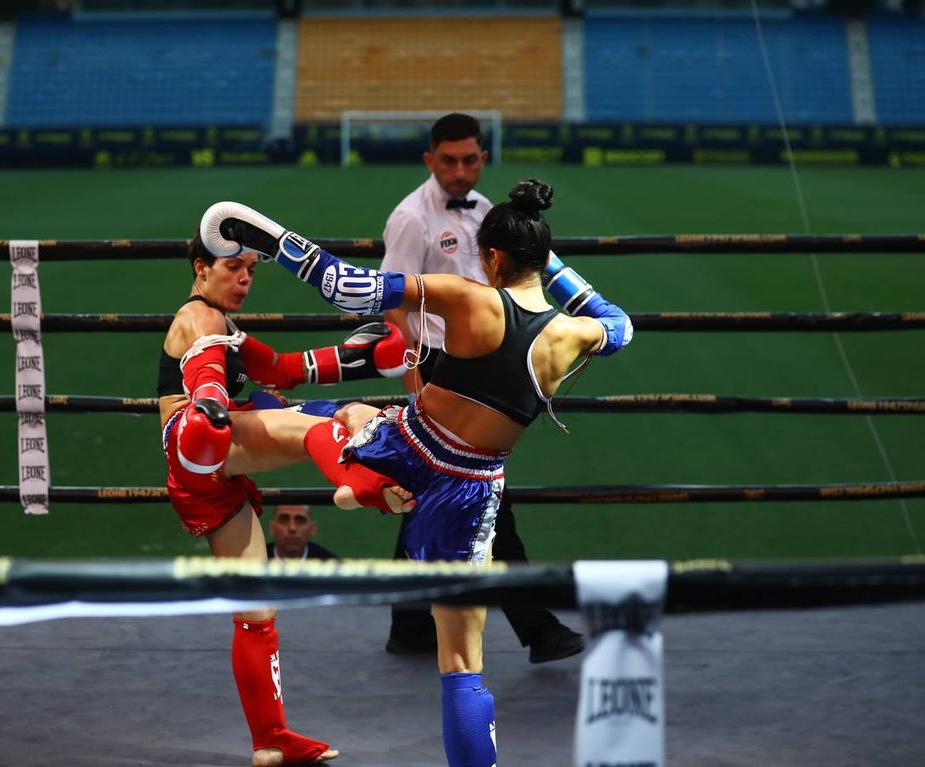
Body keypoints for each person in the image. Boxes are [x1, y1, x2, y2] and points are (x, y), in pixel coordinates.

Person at [199, 178, 633, 767]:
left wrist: (270, 241)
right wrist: (548, 260)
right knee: (461, 666)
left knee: (309, 415)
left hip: (405, 447)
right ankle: (358, 478)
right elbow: (619, 323)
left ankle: (328, 470)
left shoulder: (471, 298)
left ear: (494, 257)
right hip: (471, 489)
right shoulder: (572, 335)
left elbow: (353, 290)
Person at [158, 234, 414, 766]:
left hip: (204, 480)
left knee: (256, 611)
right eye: (234, 267)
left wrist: (354, 358)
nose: (245, 279)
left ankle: (270, 739)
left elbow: (280, 367)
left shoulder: (224, 326)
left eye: (252, 269)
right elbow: (203, 366)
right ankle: (361, 485)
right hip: (201, 440)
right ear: (201, 269)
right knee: (315, 422)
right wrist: (209, 400)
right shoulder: (198, 318)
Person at [380, 111, 584, 663]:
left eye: (470, 159)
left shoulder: (497, 216)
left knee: (435, 495)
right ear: (430, 160)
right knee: (484, 500)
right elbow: (392, 304)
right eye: (448, 160)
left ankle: (411, 625)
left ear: (483, 159)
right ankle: (535, 627)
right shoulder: (410, 219)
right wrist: (416, 380)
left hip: (489, 363)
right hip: (439, 371)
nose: (460, 170)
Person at [266, 504, 339, 561]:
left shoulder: (331, 565)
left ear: (312, 529)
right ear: (272, 528)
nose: (292, 528)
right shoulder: (256, 561)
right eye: (284, 520)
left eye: (300, 520)